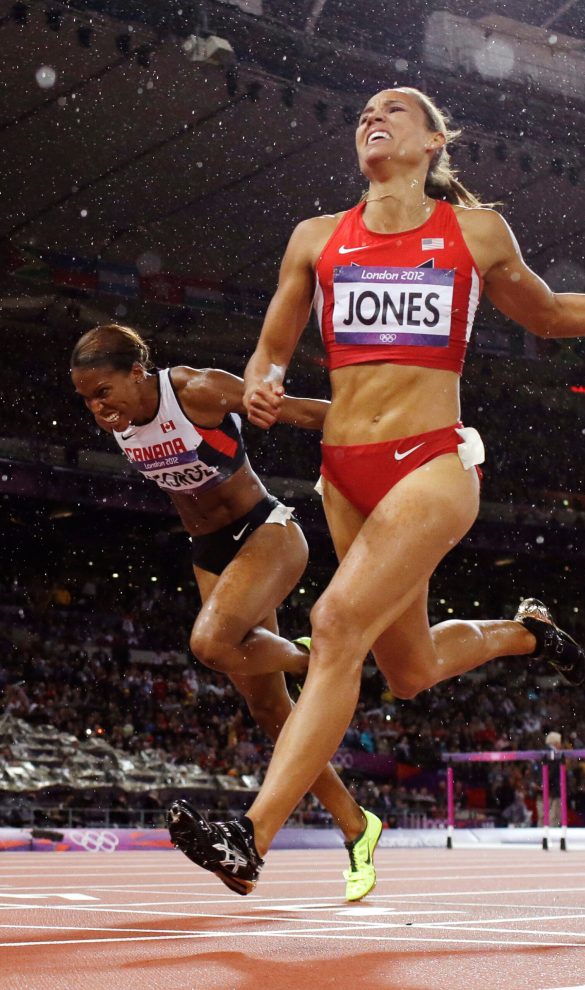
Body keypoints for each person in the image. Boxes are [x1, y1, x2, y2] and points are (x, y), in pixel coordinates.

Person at [167, 86, 585, 891]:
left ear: (434, 143)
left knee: (335, 621)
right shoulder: (317, 239)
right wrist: (264, 384)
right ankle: (526, 634)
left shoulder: (474, 231)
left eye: (393, 108)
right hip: (344, 471)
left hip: (432, 460)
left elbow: (553, 313)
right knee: (411, 669)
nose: (371, 116)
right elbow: (270, 349)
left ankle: (251, 837)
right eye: (363, 112)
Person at [70, 324, 383, 900]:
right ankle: (358, 827)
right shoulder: (120, 418)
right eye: (87, 399)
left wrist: (394, 426)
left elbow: (305, 413)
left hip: (265, 531)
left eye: (104, 391)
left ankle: (313, 660)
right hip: (211, 552)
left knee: (211, 645)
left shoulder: (196, 390)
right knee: (269, 712)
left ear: (138, 374)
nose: (98, 407)